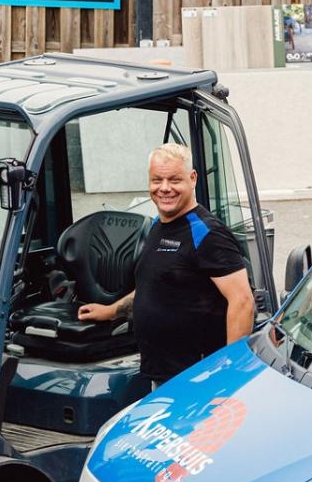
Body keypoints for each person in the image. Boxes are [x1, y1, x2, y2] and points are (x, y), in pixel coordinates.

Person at [77, 143, 255, 385]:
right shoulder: (157, 225)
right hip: (162, 373)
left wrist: (230, 371)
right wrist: (110, 311)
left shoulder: (206, 233)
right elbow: (154, 287)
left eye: (174, 180)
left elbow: (242, 301)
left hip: (197, 378)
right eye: (157, 180)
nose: (164, 188)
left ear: (192, 179)